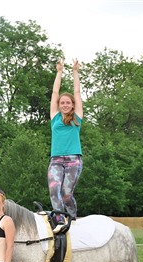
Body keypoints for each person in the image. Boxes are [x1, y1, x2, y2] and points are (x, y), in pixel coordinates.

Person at [48, 58, 84, 232]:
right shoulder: (55, 117)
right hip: (56, 160)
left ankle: (73, 217)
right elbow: (55, 93)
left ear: (72, 105)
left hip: (73, 160)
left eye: (67, 103)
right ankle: (60, 220)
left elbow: (77, 93)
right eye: (62, 103)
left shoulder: (76, 118)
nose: (64, 104)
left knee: (66, 193)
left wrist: (75, 72)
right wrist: (59, 72)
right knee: (54, 190)